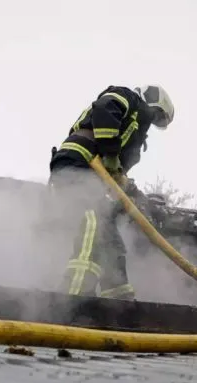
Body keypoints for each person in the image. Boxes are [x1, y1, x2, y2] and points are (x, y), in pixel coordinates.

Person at [48, 85, 175, 300]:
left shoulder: (133, 137)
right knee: (93, 221)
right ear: (155, 101)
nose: (152, 121)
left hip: (95, 179)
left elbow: (118, 177)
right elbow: (105, 109)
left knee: (112, 241)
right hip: (78, 163)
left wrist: (140, 199)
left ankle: (118, 302)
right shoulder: (127, 97)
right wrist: (110, 153)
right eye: (157, 116)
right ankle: (72, 295)